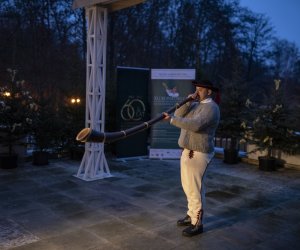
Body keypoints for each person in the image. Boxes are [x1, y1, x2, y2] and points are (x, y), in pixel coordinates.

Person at [164, 79, 220, 237]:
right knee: (187, 186)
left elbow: (195, 125)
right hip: (187, 150)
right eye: (196, 89)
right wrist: (188, 101)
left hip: (200, 153)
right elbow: (179, 114)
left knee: (196, 188)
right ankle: (191, 214)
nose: (197, 93)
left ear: (209, 92)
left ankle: (198, 223)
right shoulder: (196, 104)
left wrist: (172, 120)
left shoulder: (212, 108)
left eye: (200, 90)